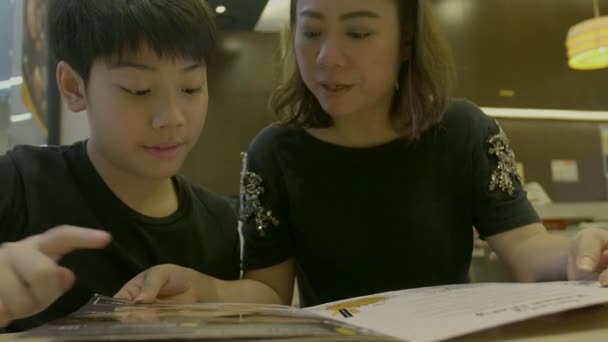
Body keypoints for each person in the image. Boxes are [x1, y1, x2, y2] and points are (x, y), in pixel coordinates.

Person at [115, 0, 608, 308]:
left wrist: (581, 250)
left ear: (407, 41)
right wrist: (202, 289)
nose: (328, 56)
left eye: (358, 33)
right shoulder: (276, 153)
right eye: (311, 32)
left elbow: (524, 249)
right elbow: (268, 290)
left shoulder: (463, 130)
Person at [0, 0, 239, 331]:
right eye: (138, 90)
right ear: (73, 86)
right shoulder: (19, 184)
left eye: (191, 87)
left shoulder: (218, 222)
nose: (172, 118)